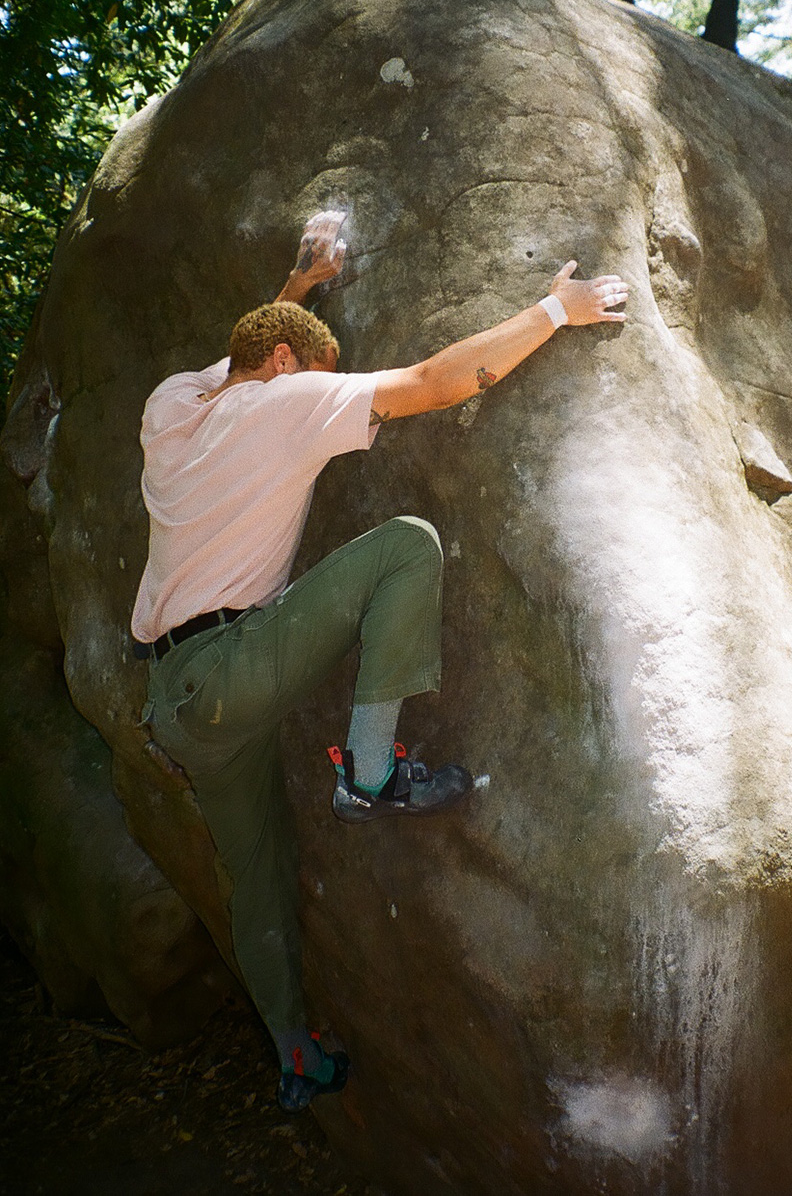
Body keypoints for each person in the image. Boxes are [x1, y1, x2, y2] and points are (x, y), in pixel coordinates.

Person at [131, 212, 628, 1113]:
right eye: (311, 372)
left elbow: (244, 350)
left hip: (176, 703)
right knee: (408, 544)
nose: (322, 394)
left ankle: (293, 1052)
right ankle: (368, 772)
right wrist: (556, 310)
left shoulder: (171, 407)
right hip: (233, 667)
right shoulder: (290, 399)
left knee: (261, 879)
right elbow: (437, 382)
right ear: (288, 368)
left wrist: (302, 282)